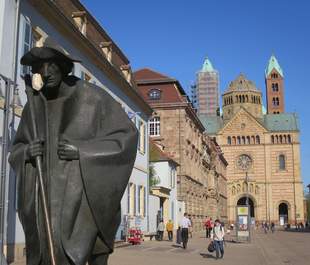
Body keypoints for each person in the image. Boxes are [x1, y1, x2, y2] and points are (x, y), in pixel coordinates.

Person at [9, 39, 138, 265]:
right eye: (40, 67)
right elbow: (16, 150)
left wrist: (82, 150)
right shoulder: (34, 104)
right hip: (45, 201)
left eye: (52, 65)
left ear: (64, 66)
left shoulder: (94, 97)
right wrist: (27, 151)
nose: (46, 72)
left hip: (82, 201)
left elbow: (126, 138)